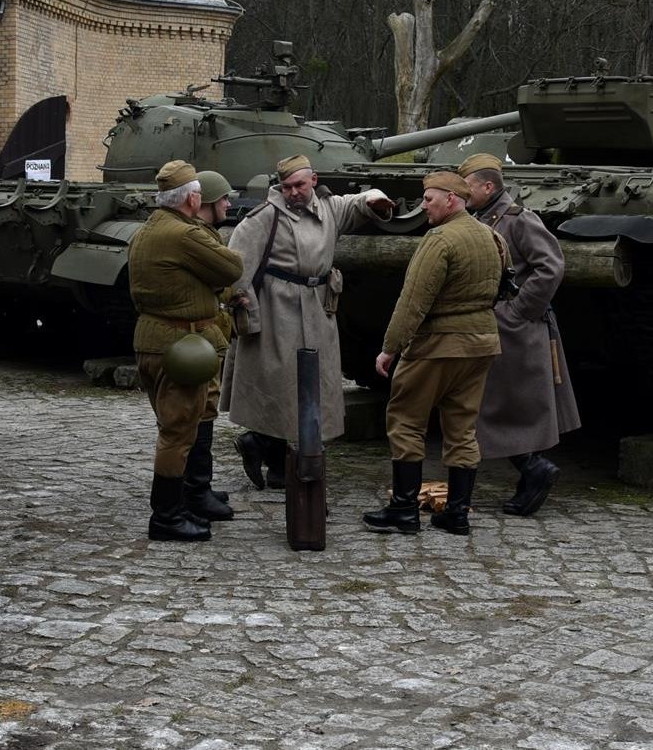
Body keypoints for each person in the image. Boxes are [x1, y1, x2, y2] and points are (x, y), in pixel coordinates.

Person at [222, 154, 393, 488]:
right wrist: (248, 318)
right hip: (278, 310)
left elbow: (356, 204)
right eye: (285, 186)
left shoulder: (328, 208)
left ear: (313, 180)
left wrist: (373, 197)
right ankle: (268, 451)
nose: (293, 193)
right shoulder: (265, 217)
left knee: (310, 388)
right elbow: (237, 269)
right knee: (283, 387)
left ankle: (270, 457)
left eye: (299, 185)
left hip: (317, 308)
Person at [361, 171, 502, 537]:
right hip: (481, 343)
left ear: (451, 200)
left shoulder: (440, 240)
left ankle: (404, 510)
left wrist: (390, 348)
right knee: (462, 426)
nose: (423, 206)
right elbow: (506, 283)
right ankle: (457, 513)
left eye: (429, 199)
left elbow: (412, 302)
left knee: (406, 419)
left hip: (438, 344)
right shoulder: (491, 235)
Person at [458, 152, 580, 515]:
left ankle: (533, 470)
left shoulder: (518, 220)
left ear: (488, 186)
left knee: (508, 405)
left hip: (514, 326)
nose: (465, 195)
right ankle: (531, 472)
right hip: (494, 324)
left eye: (469, 188)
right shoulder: (480, 219)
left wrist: (517, 311)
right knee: (498, 405)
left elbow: (551, 266)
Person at [127, 160, 243, 542]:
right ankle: (166, 517)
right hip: (177, 346)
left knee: (180, 427)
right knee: (177, 434)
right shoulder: (183, 235)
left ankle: (185, 500)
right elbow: (231, 269)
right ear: (194, 199)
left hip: (155, 339)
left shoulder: (149, 230)